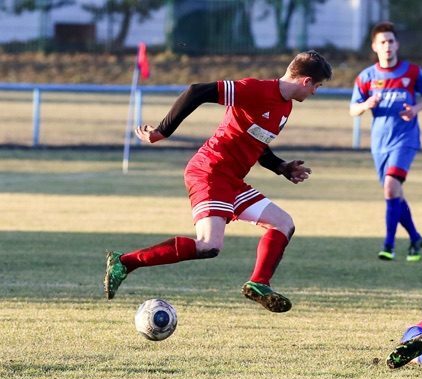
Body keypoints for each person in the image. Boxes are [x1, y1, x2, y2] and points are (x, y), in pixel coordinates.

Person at [103, 50, 332, 313]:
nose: (315, 92)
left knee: (283, 223)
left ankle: (258, 283)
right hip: (209, 171)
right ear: (306, 81)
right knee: (209, 245)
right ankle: (125, 262)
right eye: (317, 86)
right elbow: (196, 91)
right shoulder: (255, 89)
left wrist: (282, 167)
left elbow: (258, 144)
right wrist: (162, 131)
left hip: (232, 180)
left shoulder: (285, 106)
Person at [350, 21, 422, 262]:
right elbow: (352, 109)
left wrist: (416, 108)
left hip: (405, 139)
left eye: (390, 41)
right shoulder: (366, 77)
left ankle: (388, 245)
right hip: (379, 143)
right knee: (394, 193)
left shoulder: (411, 72)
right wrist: (366, 105)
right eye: (382, 42)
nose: (387, 46)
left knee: (390, 187)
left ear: (396, 44)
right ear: (375, 46)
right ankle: (415, 237)